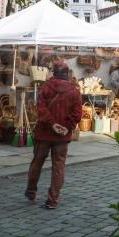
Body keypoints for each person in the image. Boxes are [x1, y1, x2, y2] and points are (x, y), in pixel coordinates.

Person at [26, 60, 82, 209]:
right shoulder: (74, 91)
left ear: (53, 72)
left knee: (37, 163)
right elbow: (77, 114)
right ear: (67, 73)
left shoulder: (45, 88)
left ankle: (31, 191)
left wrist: (52, 123)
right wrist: (66, 127)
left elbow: (40, 109)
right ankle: (53, 200)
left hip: (43, 134)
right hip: (61, 137)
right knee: (58, 167)